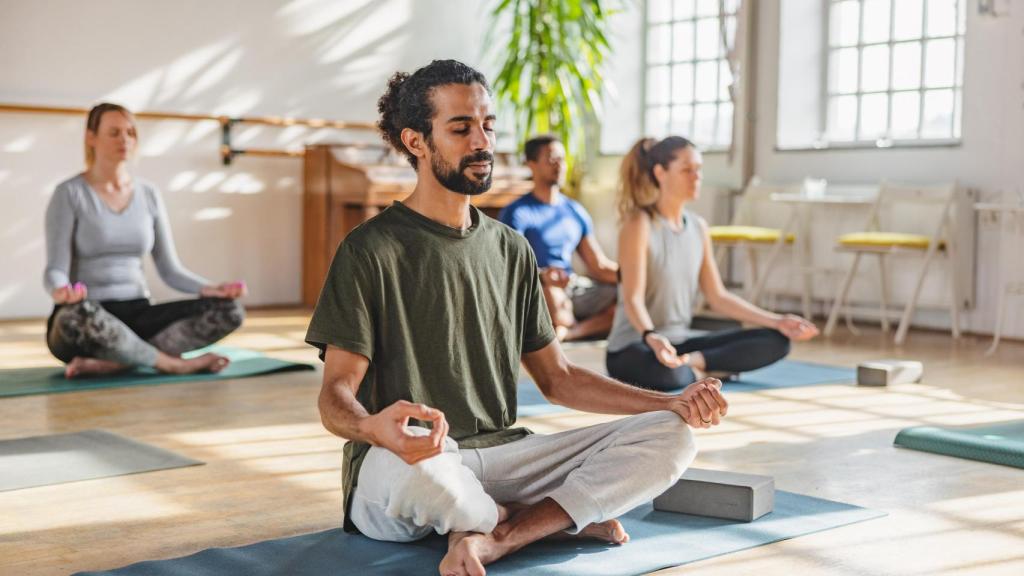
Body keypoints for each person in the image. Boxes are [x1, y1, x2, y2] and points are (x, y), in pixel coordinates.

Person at [306, 60, 728, 576]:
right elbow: (334, 398)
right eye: (461, 129)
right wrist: (374, 426)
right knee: (433, 478)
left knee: (672, 436)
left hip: (503, 456)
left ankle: (499, 535)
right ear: (416, 141)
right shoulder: (369, 249)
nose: (482, 141)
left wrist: (673, 402)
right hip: (406, 462)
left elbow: (559, 379)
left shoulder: (511, 248)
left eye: (488, 125)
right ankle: (547, 517)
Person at [43, 103, 247, 379]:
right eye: (114, 132)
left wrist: (210, 289)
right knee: (73, 316)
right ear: (91, 138)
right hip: (88, 317)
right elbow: (55, 268)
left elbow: (170, 270)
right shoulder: (69, 193)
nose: (124, 139)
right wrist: (61, 291)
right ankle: (173, 364)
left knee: (230, 311)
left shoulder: (148, 194)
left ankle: (118, 362)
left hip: (138, 313)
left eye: (130, 132)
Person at [605, 136, 819, 391]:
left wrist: (776, 320)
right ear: (660, 172)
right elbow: (633, 299)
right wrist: (651, 336)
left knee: (777, 340)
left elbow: (717, 296)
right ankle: (707, 370)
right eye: (687, 170)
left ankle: (695, 365)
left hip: (680, 344)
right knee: (666, 375)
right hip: (636, 345)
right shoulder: (639, 224)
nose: (696, 177)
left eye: (699, 170)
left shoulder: (698, 227)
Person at [499, 135, 619, 342]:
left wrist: (635, 278)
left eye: (562, 159)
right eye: (552, 159)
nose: (560, 165)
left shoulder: (575, 211)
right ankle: (561, 326)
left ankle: (570, 332)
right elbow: (511, 264)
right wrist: (542, 275)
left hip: (573, 286)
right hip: (540, 287)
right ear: (531, 164)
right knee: (552, 293)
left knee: (627, 296)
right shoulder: (517, 212)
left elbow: (598, 265)